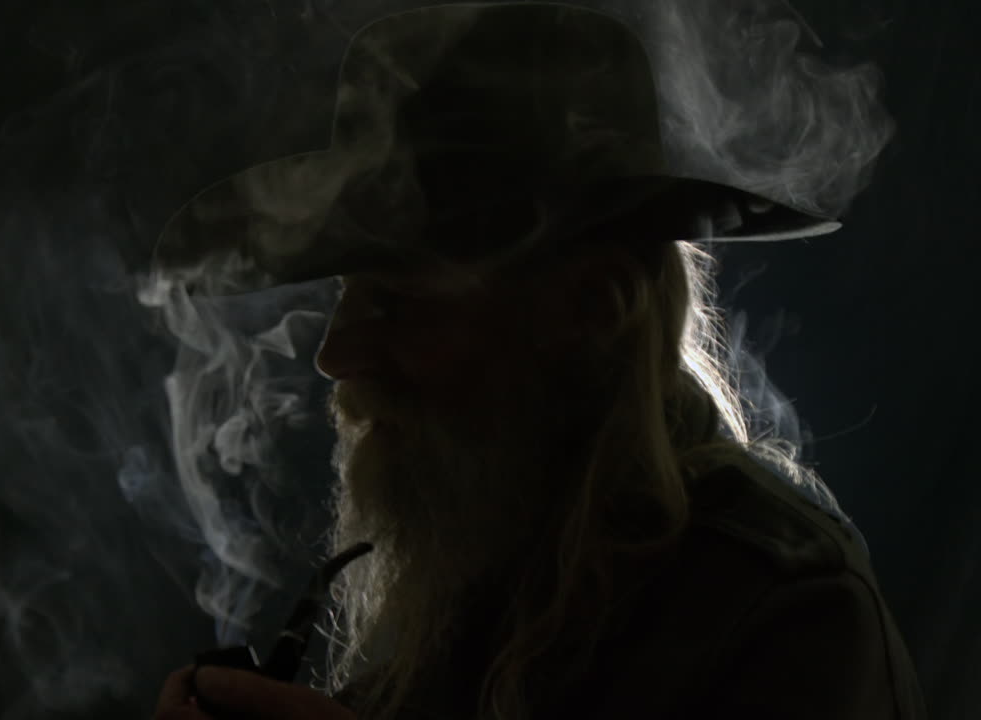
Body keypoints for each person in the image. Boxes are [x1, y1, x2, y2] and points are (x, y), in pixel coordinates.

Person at [152, 3, 926, 719]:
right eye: (346, 297)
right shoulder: (477, 590)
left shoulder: (777, 611)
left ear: (591, 304)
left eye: (398, 299)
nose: (336, 353)